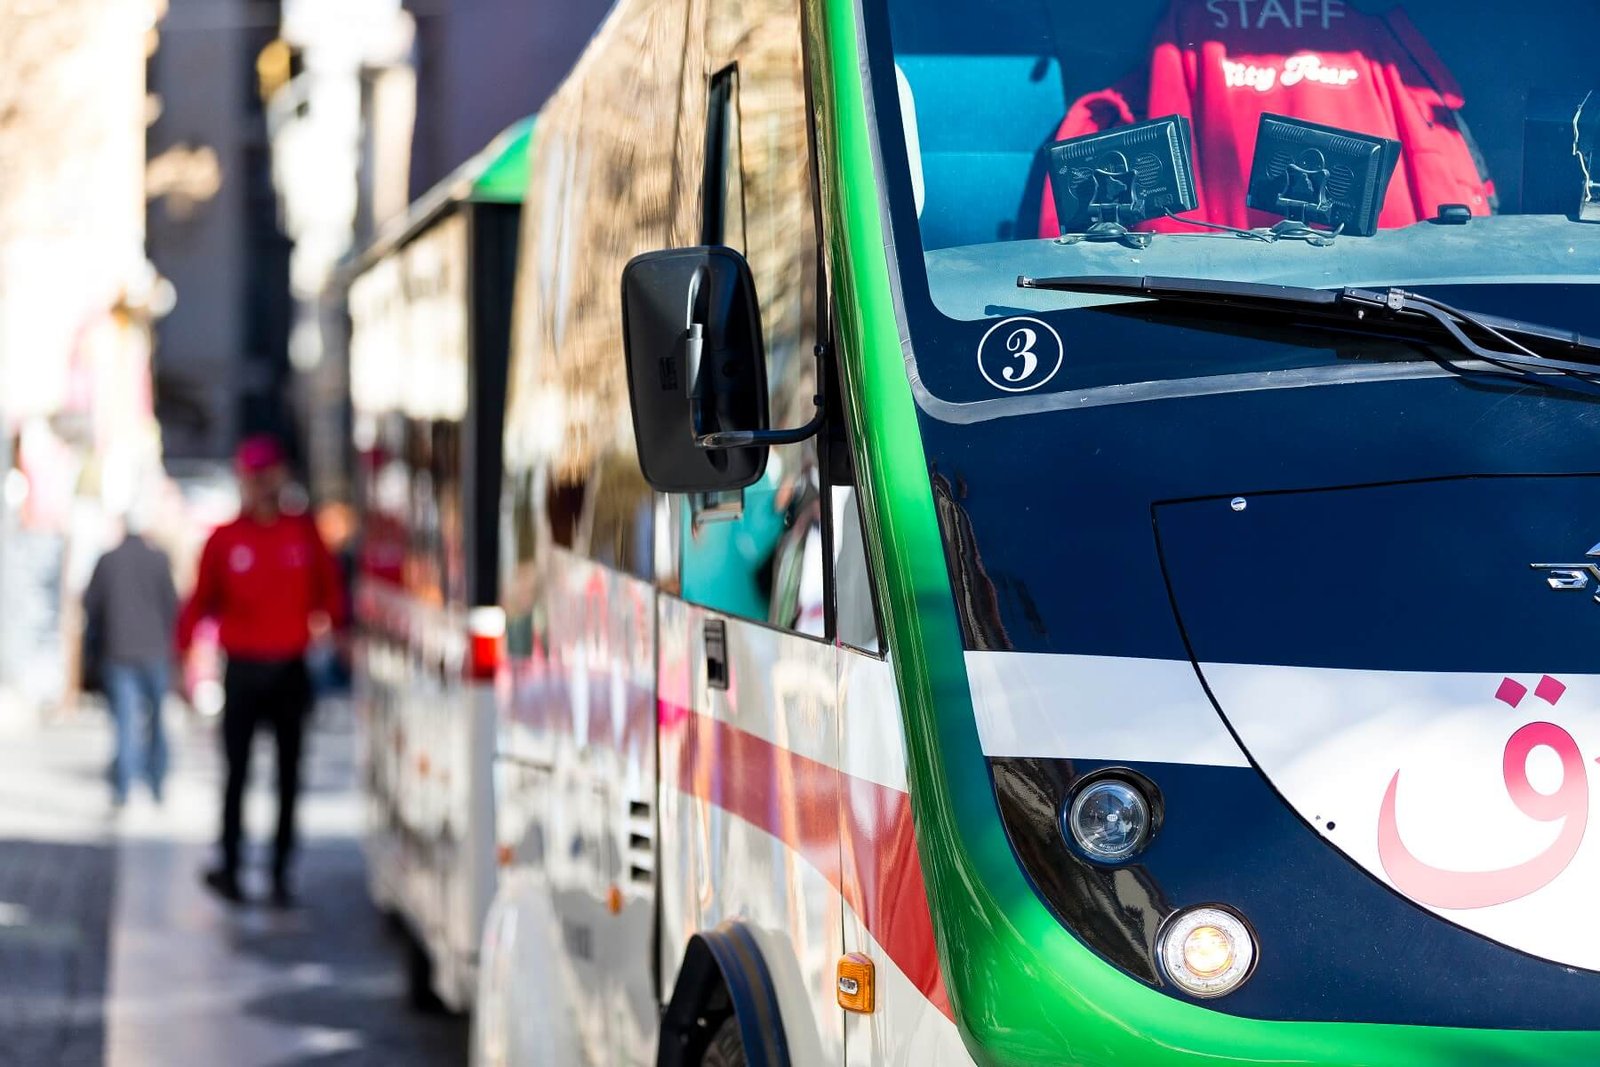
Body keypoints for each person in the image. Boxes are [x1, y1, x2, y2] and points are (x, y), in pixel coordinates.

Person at [177, 435, 346, 906]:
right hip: (244, 670)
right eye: (252, 477)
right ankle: (231, 866)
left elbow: (330, 593)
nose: (260, 485)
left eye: (267, 475)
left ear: (281, 477)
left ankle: (279, 871)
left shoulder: (304, 534)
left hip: (290, 668)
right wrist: (184, 654)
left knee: (289, 774)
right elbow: (200, 601)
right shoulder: (225, 538)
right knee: (236, 773)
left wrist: (341, 636)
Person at [82, 511, 179, 808]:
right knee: (157, 719)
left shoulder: (108, 560)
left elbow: (91, 605)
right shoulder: (158, 560)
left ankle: (123, 786)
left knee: (125, 722)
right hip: (155, 650)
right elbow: (172, 606)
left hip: (119, 651)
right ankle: (156, 781)